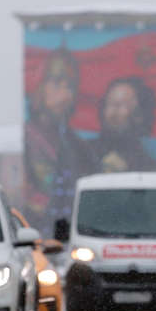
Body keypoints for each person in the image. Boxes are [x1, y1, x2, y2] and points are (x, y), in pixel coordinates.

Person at [24, 48, 95, 234]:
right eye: (56, 83)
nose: (65, 95)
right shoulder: (25, 139)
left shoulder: (78, 145)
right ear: (40, 86)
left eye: (70, 86)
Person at [94, 76, 156, 173]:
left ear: (139, 115)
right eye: (109, 103)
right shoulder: (82, 151)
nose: (112, 112)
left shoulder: (149, 167)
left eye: (120, 105)